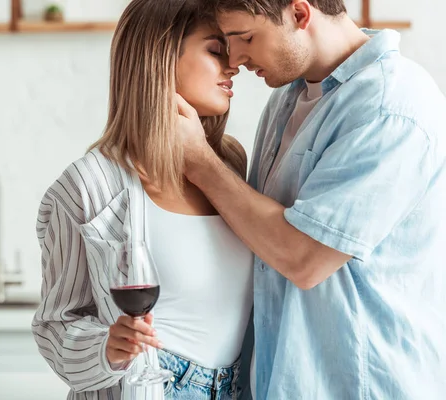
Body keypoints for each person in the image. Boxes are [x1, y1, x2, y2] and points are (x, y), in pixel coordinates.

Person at [177, 0, 446, 399]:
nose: (236, 59)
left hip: (362, 386)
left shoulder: (391, 106)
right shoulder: (288, 97)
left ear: (300, 14)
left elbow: (305, 260)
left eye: (246, 37)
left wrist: (200, 162)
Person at [32, 0, 255, 399]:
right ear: (160, 56)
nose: (234, 64)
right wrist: (107, 348)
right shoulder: (90, 184)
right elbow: (56, 324)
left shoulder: (230, 164)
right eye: (215, 50)